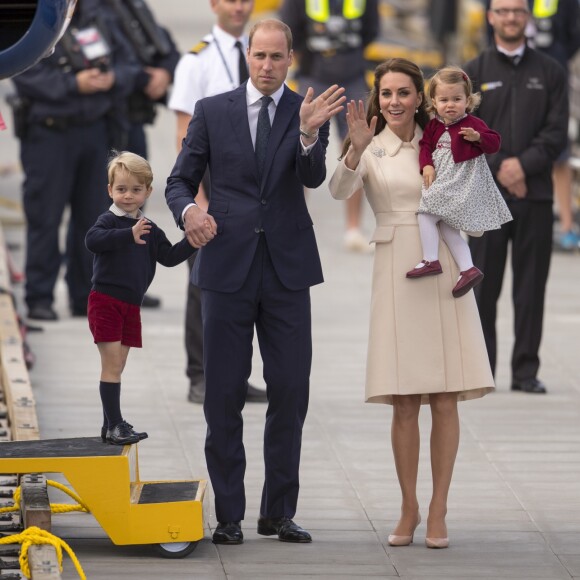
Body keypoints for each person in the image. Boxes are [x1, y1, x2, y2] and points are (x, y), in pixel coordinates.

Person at [166, 18, 345, 545]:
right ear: (249, 56)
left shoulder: (305, 110)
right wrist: (187, 214)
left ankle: (278, 512)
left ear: (291, 58)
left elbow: (311, 177)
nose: (267, 67)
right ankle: (228, 514)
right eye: (259, 57)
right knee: (223, 393)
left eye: (277, 58)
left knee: (290, 391)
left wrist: (310, 133)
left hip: (287, 269)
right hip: (225, 266)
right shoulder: (212, 111)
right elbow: (179, 179)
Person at [329, 58, 494, 549]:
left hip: (442, 264)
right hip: (396, 267)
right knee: (403, 400)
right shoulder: (370, 142)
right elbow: (338, 191)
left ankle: (439, 509)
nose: (395, 102)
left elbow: (475, 201)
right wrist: (355, 150)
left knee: (444, 397)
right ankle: (409, 506)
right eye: (386, 94)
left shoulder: (443, 137)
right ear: (377, 98)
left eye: (404, 92)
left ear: (420, 96)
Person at [11, 0, 140, 321]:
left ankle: (84, 293)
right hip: (50, 135)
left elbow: (129, 65)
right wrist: (74, 84)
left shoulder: (99, 17)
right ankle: (39, 296)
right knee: (45, 217)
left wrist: (112, 80)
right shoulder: (35, 20)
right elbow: (20, 71)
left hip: (95, 133)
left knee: (92, 217)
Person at [464, 0, 569, 394]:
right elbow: (463, 128)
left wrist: (522, 166)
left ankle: (525, 371)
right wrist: (502, 167)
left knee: (530, 287)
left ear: (527, 18)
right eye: (503, 10)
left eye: (518, 11)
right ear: (491, 17)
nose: (511, 17)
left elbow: (557, 131)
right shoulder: (473, 72)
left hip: (535, 194)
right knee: (482, 287)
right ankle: (482, 370)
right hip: (485, 196)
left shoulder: (550, 72)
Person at [168, 0, 267, 404]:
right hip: (212, 178)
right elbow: (183, 134)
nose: (239, 7)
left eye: (246, 0)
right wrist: (198, 200)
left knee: (242, 284)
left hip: (251, 184)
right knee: (203, 282)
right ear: (214, 4)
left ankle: (234, 375)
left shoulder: (262, 56)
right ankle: (200, 374)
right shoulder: (197, 61)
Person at [86, 151, 196, 445]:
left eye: (136, 190)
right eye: (121, 189)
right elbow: (92, 241)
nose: (128, 196)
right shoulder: (108, 221)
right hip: (105, 302)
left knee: (118, 366)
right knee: (111, 366)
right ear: (110, 190)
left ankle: (110, 425)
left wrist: (193, 241)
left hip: (131, 306)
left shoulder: (148, 227)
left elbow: (169, 257)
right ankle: (115, 424)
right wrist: (127, 235)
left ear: (148, 191)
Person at [278, 0, 380, 252]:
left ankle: (354, 229)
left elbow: (371, 29)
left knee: (356, 150)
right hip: (314, 76)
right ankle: (293, 224)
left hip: (353, 78)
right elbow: (289, 30)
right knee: (300, 147)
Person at [407, 66, 512, 298]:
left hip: (460, 182)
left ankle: (430, 259)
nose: (450, 104)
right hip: (444, 179)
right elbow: (425, 146)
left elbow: (495, 143)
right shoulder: (434, 125)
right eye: (444, 99)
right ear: (434, 101)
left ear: (468, 100)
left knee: (425, 213)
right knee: (446, 226)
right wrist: (427, 165)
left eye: (457, 99)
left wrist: (478, 138)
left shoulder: (473, 123)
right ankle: (468, 268)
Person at [485, 0, 580, 250]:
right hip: (508, 68)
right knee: (507, 137)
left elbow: (574, 33)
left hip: (550, 71)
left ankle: (568, 227)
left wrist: (552, 60)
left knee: (559, 153)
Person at [106, 0, 182, 309]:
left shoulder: (133, 6)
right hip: (105, 119)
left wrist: (164, 72)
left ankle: (130, 283)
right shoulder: (87, 10)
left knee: (135, 202)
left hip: (135, 117)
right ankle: (97, 285)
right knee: (103, 210)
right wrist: (142, 78)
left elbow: (167, 47)